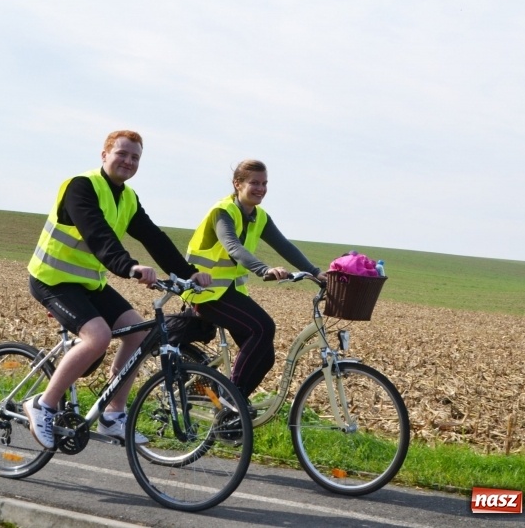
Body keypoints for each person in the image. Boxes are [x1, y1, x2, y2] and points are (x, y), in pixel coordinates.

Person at [24, 129, 211, 450]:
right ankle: (43, 404)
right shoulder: (81, 187)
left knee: (139, 334)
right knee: (97, 337)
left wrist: (188, 274)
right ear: (104, 155)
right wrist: (130, 267)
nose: (128, 161)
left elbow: (154, 237)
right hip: (52, 279)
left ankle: (113, 414)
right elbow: (97, 235)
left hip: (89, 284)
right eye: (122, 154)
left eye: (135, 157)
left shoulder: (127, 198)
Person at [184, 159, 325, 403]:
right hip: (205, 290)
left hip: (229, 291)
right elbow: (233, 246)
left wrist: (315, 272)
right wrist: (264, 269)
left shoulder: (259, 217)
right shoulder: (223, 212)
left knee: (265, 357)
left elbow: (284, 246)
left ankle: (227, 407)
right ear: (237, 184)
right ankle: (231, 402)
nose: (261, 188)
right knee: (263, 327)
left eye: (264, 183)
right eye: (254, 183)